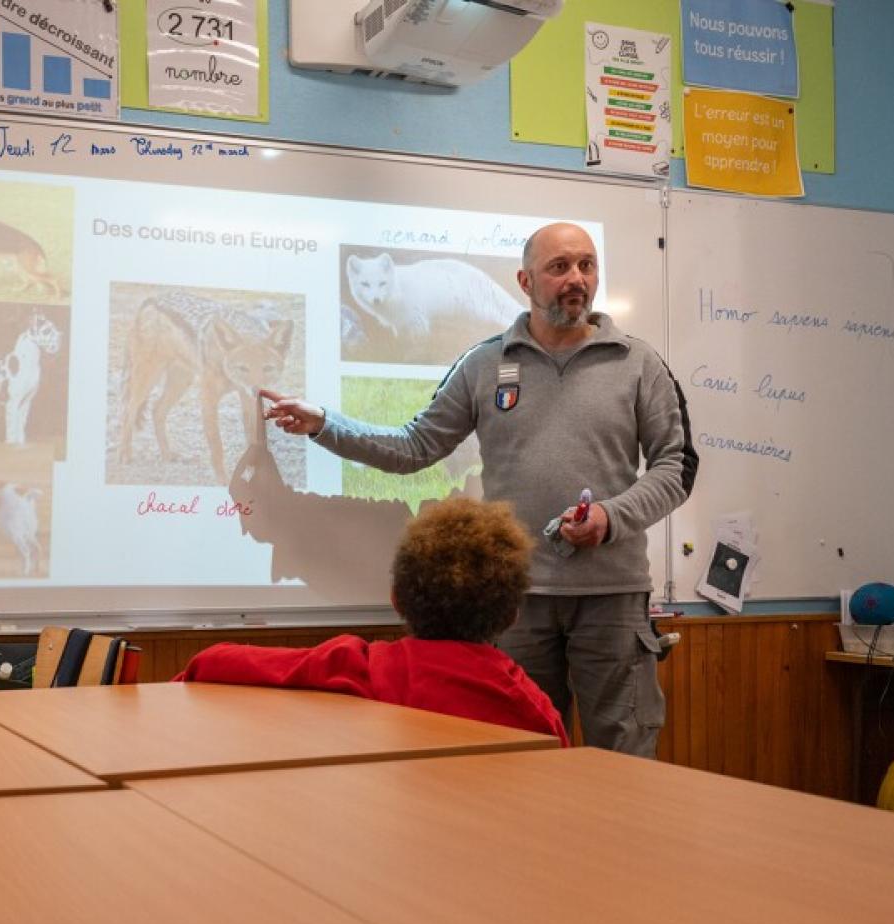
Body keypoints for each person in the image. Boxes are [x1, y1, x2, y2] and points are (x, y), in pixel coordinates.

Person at [260, 223, 696, 757]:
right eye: (559, 267)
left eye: (586, 266)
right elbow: (415, 446)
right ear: (525, 281)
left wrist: (610, 517)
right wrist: (326, 425)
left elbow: (676, 466)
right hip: (515, 601)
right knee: (521, 758)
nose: (576, 279)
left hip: (613, 598)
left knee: (624, 759)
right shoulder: (485, 363)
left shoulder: (637, 362)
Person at [177, 498, 569, 745]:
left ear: (396, 599)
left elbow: (213, 661)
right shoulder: (533, 710)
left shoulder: (360, 667)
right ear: (511, 615)